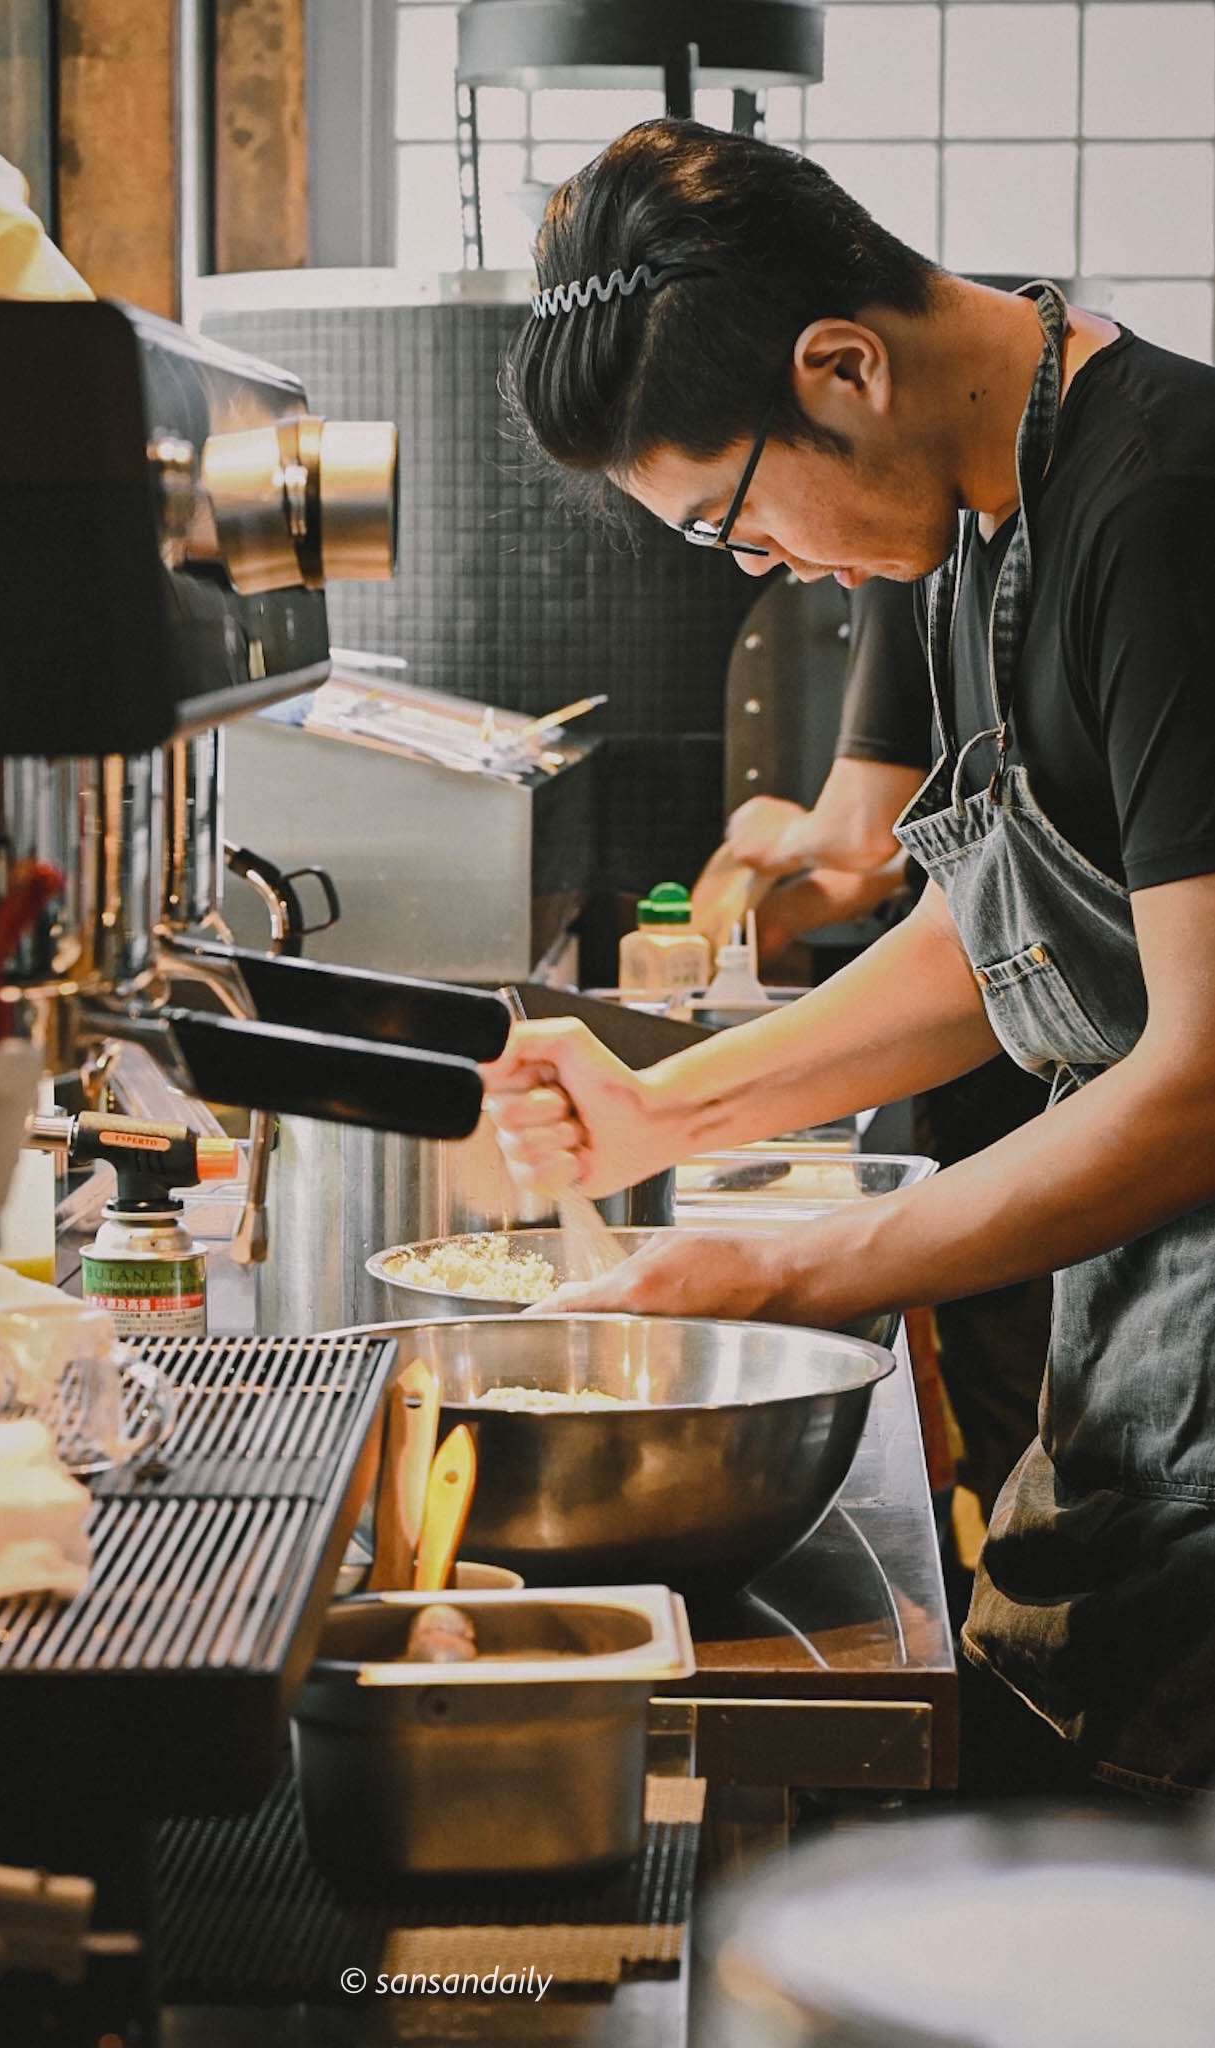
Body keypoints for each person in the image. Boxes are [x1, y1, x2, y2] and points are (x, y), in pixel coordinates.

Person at [482, 118, 1215, 1801]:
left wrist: (792, 1273)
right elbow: (996, 933)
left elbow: (1192, 1081)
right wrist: (666, 1110)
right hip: (1151, 1353)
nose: (761, 566)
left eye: (730, 525)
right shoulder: (973, 513)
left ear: (841, 366)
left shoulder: (1161, 510)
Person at [706, 578, 1053, 1525]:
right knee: (1010, 1370)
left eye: (727, 522)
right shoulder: (958, 569)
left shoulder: (918, 557)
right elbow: (948, 883)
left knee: (1022, 1370)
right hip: (1004, 1065)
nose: (771, 564)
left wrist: (779, 833)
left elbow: (866, 831)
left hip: (1033, 1082)